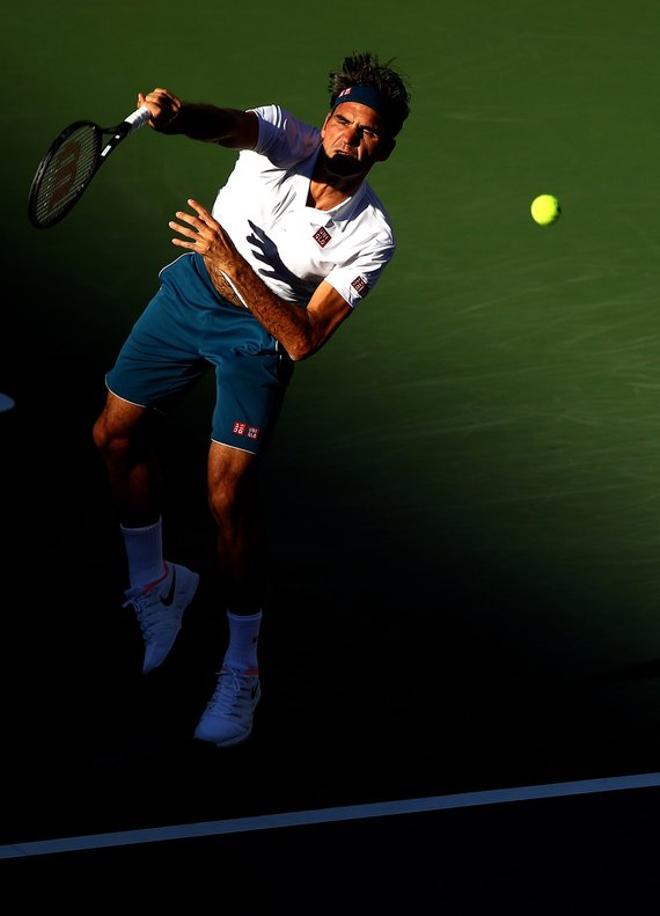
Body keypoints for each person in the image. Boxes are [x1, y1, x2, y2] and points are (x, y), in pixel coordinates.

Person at [92, 52, 411, 748]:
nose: (346, 140)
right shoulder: (281, 134)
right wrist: (177, 118)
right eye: (341, 121)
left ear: (384, 147)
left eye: (365, 134)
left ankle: (242, 667)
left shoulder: (371, 236)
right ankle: (156, 585)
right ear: (325, 121)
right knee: (112, 436)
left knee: (227, 495)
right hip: (190, 294)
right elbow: (223, 125)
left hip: (262, 335)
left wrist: (234, 263)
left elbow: (301, 339)